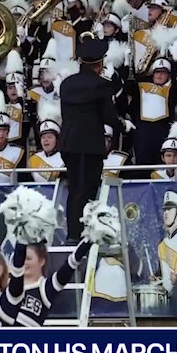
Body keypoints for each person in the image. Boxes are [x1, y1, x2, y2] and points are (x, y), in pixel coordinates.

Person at [58, 34, 121, 243]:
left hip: (69, 143)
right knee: (87, 190)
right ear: (100, 62)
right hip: (89, 145)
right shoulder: (101, 85)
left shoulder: (66, 84)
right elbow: (109, 117)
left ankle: (72, 234)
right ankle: (84, 235)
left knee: (75, 188)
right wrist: (125, 127)